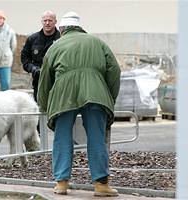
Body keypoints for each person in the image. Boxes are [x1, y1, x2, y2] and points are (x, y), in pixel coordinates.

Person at [37, 11, 121, 197]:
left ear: (62, 29)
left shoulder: (55, 46)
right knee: (97, 137)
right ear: (80, 27)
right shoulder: (97, 42)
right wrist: (109, 97)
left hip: (63, 95)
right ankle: (101, 185)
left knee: (62, 137)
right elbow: (114, 70)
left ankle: (61, 183)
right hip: (95, 92)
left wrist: (44, 106)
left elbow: (45, 79)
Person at [21, 10, 60, 101]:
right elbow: (25, 59)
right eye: (45, 20)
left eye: (50, 20)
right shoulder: (32, 39)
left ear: (55, 22)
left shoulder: (61, 39)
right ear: (41, 21)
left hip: (57, 81)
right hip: (38, 80)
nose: (47, 23)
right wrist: (32, 68)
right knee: (39, 108)